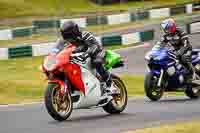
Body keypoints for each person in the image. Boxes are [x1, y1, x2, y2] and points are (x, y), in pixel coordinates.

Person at [52, 21, 112, 93]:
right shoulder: (64, 41)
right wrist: (53, 55)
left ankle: (110, 85)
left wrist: (87, 53)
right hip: (80, 56)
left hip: (97, 52)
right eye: (65, 35)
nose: (67, 37)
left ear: (74, 31)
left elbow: (94, 46)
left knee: (96, 62)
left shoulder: (85, 35)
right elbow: (58, 50)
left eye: (68, 34)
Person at [160, 18, 195, 83]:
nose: (166, 30)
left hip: (186, 49)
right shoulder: (165, 36)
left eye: (168, 28)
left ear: (172, 27)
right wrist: (156, 53)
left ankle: (192, 74)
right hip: (175, 50)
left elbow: (186, 44)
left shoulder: (181, 32)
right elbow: (160, 46)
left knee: (184, 58)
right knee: (166, 59)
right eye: (165, 29)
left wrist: (179, 52)